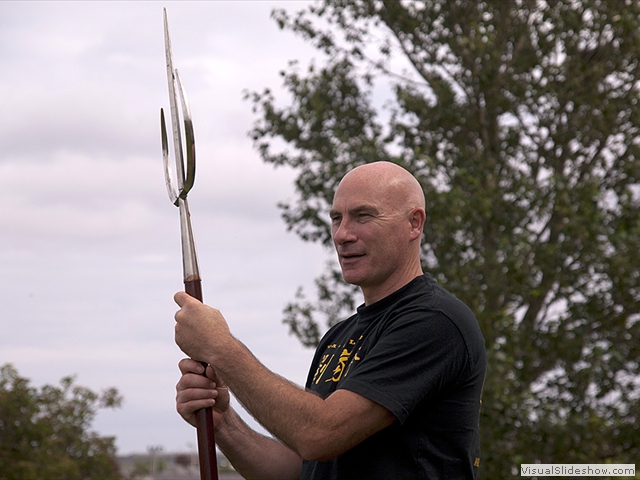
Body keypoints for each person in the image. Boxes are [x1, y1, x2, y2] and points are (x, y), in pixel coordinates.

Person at [174, 161, 487, 480]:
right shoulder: (339, 336)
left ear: (414, 223)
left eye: (363, 216)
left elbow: (319, 433)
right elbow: (307, 470)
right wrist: (225, 425)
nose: (342, 234)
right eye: (336, 219)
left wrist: (220, 348)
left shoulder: (436, 321)